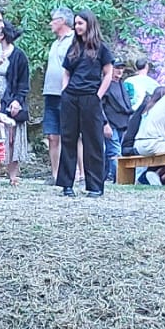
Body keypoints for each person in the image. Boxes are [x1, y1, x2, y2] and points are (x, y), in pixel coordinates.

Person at [56, 11, 115, 198]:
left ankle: (95, 186)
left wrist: (98, 96)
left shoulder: (101, 48)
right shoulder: (73, 47)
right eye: (76, 24)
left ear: (89, 24)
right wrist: (65, 91)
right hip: (71, 98)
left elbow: (108, 73)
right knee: (68, 139)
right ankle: (67, 185)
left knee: (93, 142)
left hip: (91, 97)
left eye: (80, 23)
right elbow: (66, 72)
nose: (77, 27)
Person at [44, 9, 74, 184]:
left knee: (71, 135)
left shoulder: (74, 41)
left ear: (62, 21)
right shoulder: (55, 43)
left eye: (53, 20)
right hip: (50, 93)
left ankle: (77, 173)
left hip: (66, 94)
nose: (50, 23)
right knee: (52, 135)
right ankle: (56, 174)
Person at [0, 20, 30, 184]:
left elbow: (23, 82)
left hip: (10, 98)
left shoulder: (19, 55)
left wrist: (18, 100)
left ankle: (12, 174)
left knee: (13, 137)